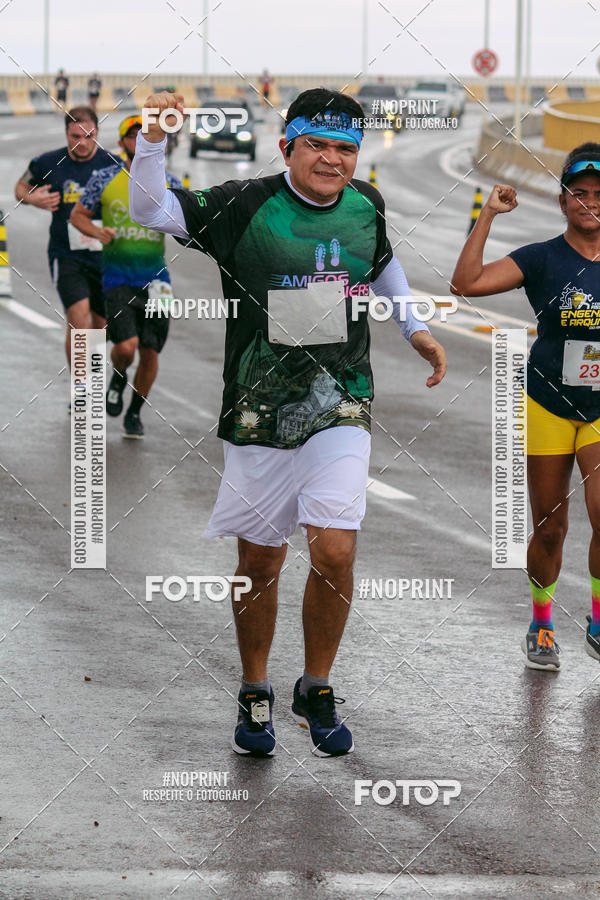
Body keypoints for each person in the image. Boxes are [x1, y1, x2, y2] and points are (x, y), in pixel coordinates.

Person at [129, 88, 447, 756]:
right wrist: (154, 140)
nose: (332, 160)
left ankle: (318, 683)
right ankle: (254, 688)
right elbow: (150, 206)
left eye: (345, 148)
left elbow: (382, 263)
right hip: (257, 408)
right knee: (260, 560)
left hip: (341, 401)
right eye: (317, 146)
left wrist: (414, 328)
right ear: (287, 147)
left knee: (334, 547)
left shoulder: (367, 206)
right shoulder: (243, 205)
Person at [451, 142, 600, 673]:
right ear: (562, 203)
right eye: (578, 195)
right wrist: (488, 213)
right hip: (548, 405)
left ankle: (598, 621)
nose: (590, 203)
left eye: (599, 195)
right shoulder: (541, 258)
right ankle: (540, 624)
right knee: (551, 527)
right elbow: (465, 283)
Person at [70, 116, 182, 439]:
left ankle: (134, 412)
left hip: (158, 281)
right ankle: (119, 375)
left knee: (150, 353)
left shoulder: (169, 181)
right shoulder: (104, 178)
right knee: (126, 345)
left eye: (144, 136)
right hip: (117, 276)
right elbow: (78, 214)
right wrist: (96, 231)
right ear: (122, 144)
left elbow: (190, 221)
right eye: (133, 137)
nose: (139, 142)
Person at [14, 106, 117, 384]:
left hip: (104, 257)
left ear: (97, 132)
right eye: (75, 137)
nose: (82, 143)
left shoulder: (114, 165)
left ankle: (93, 377)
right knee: (78, 319)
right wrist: (33, 199)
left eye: (88, 136)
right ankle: (81, 387)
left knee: (101, 325)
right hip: (66, 254)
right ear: (66, 133)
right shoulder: (47, 162)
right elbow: (20, 187)